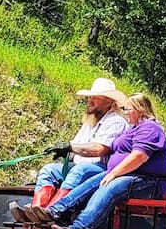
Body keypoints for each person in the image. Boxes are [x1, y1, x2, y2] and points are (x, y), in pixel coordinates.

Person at [42, 94, 166, 229]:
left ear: (140, 109)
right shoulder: (132, 129)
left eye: (127, 109)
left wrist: (113, 173)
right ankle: (56, 211)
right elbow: (108, 148)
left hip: (150, 181)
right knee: (92, 182)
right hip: (129, 175)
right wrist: (72, 151)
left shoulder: (150, 128)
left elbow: (139, 157)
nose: (124, 112)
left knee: (110, 188)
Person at [32, 77, 128, 209]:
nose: (90, 100)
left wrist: (70, 147)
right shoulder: (90, 123)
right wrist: (63, 150)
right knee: (49, 170)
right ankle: (36, 210)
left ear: (108, 102)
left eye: (96, 97)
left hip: (103, 170)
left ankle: (52, 212)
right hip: (79, 167)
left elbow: (99, 149)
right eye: (90, 97)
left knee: (79, 170)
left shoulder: (116, 122)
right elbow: (75, 146)